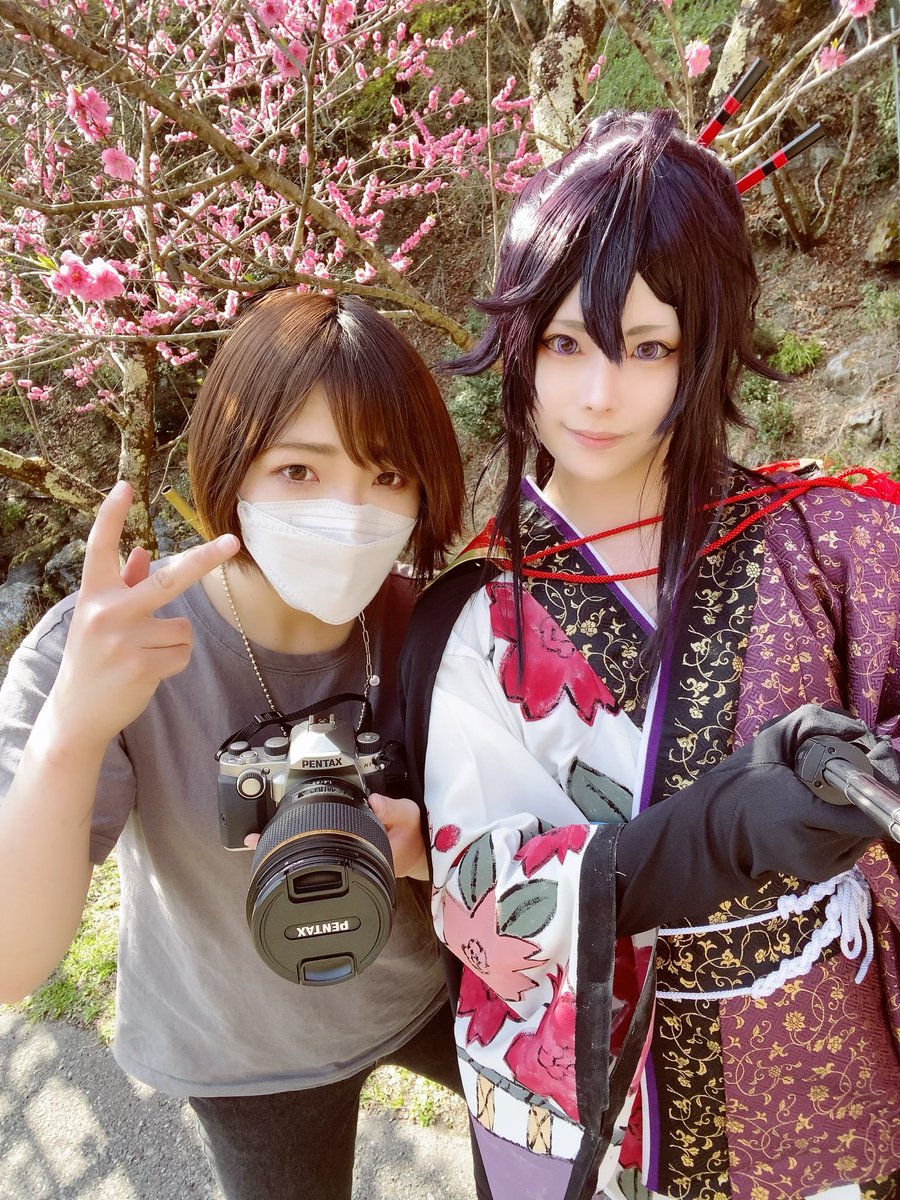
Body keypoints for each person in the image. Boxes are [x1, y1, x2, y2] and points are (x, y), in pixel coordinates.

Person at [399, 110, 900, 1200]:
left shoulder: (823, 536)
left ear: (703, 348)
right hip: (629, 1090)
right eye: (566, 343)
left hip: (823, 1038)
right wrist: (721, 829)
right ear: (521, 344)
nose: (597, 395)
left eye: (648, 347)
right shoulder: (476, 619)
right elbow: (484, 890)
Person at [0, 289, 469, 1200]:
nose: (349, 511)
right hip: (244, 1052)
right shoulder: (108, 649)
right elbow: (13, 963)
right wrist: (72, 729)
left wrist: (430, 846)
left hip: (422, 991)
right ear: (231, 463)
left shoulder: (429, 623)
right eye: (298, 470)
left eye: (387, 474)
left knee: (548, 1155)